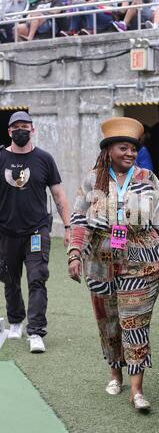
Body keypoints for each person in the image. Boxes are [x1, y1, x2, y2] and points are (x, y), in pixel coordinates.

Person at [68, 116, 159, 411]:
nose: (131, 154)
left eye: (134, 149)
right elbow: (79, 219)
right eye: (124, 148)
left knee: (135, 323)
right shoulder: (92, 179)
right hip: (100, 264)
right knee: (108, 323)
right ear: (109, 150)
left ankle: (137, 391)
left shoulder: (148, 179)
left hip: (143, 262)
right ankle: (115, 373)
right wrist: (74, 254)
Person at [0, 111, 70, 353]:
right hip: (6, 231)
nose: (21, 130)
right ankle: (16, 321)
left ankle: (36, 332)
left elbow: (59, 195)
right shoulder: (0, 158)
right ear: (9, 131)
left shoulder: (44, 159)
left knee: (37, 277)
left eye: (25, 126)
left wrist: (69, 227)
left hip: (36, 231)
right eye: (16, 126)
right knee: (10, 279)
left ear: (33, 129)